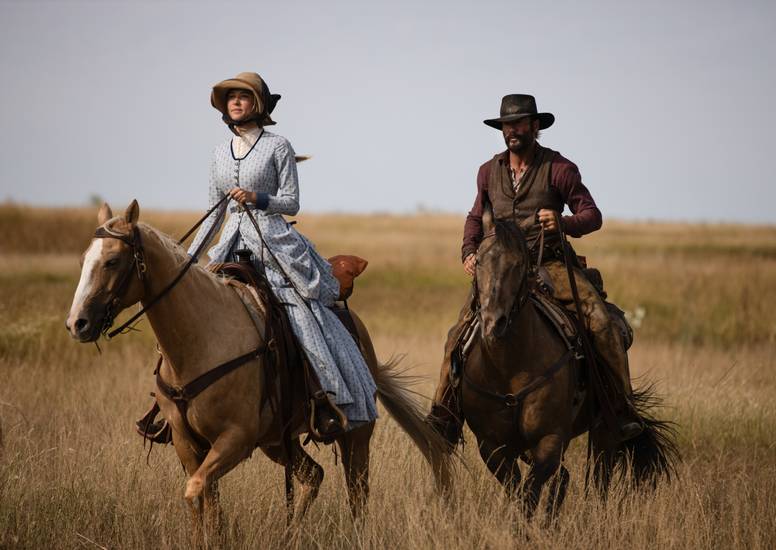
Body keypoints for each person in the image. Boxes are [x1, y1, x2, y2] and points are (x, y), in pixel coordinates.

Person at [138, 72, 377, 440]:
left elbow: (292, 202)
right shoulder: (219, 153)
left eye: (243, 96)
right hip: (230, 244)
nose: (235, 102)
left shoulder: (278, 146)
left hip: (273, 244)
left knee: (298, 311)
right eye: (230, 97)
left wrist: (257, 198)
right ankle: (170, 407)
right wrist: (187, 261)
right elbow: (214, 213)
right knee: (193, 311)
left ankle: (327, 398)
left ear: (258, 104)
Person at [426, 94, 643, 449]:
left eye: (519, 124)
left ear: (535, 126)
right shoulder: (488, 171)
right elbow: (474, 216)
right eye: (506, 125)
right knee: (458, 334)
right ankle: (445, 413)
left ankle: (622, 409)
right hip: (501, 269)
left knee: (602, 324)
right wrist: (468, 251)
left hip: (549, 264)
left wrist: (562, 222)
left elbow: (592, 216)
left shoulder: (559, 168)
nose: (512, 131)